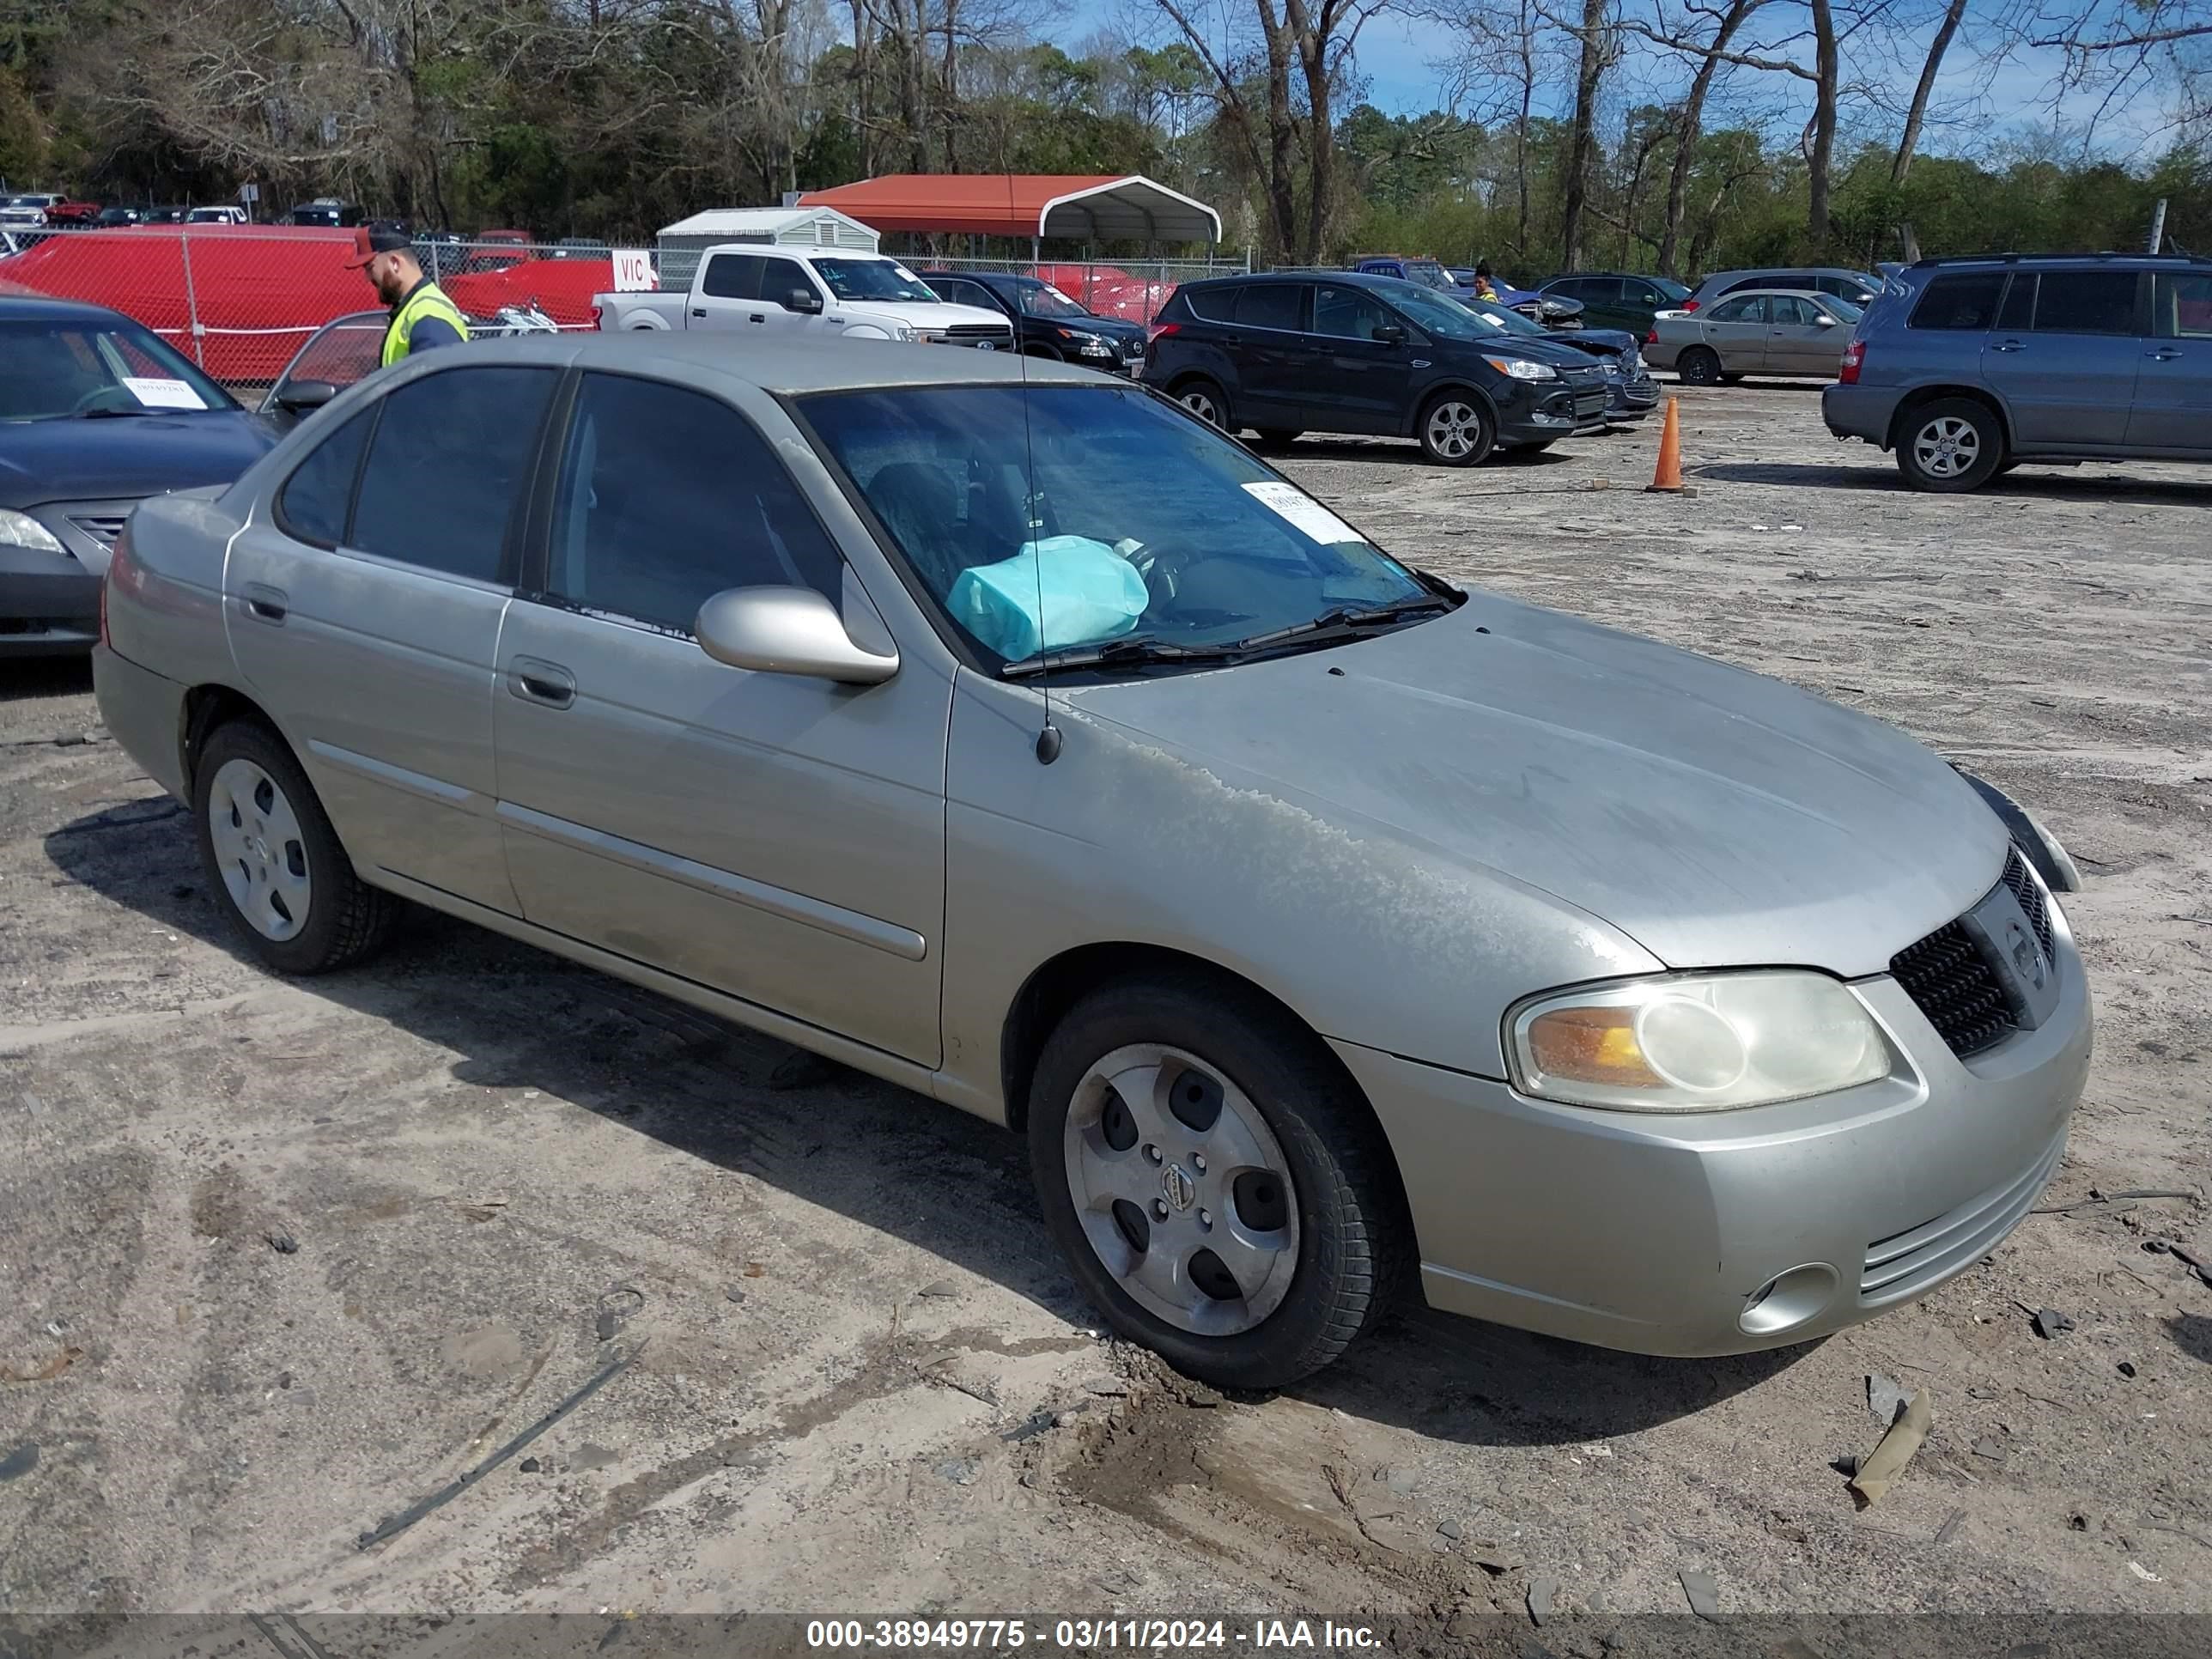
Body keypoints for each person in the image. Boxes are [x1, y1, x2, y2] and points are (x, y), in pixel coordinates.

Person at [344, 226, 470, 366]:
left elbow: (438, 385)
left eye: (370, 268)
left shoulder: (428, 317)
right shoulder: (412, 309)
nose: (367, 278)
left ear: (395, 264)